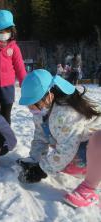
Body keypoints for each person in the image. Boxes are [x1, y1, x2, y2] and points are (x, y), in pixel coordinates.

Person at [17, 69, 101, 208]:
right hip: (81, 151)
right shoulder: (41, 110)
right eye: (28, 104)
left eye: (33, 103)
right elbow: (40, 137)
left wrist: (41, 170)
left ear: (49, 96)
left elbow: (67, 149)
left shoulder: (65, 113)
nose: (31, 108)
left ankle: (89, 187)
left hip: (94, 152)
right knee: (58, 150)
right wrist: (35, 159)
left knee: (96, 141)